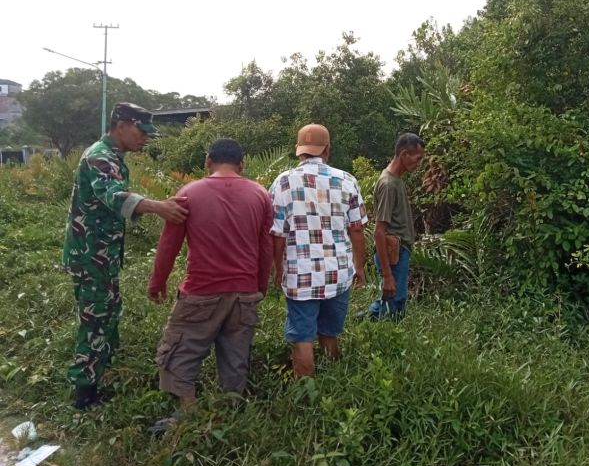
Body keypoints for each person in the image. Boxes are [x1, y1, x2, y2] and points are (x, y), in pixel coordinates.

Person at [62, 102, 189, 410]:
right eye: (141, 131)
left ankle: (101, 377)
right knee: (95, 320)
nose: (144, 139)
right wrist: (160, 207)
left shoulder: (112, 156)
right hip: (91, 255)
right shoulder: (101, 157)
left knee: (107, 314)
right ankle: (85, 394)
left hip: (101, 254)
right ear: (121, 126)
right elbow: (114, 197)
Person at [147, 138, 273, 430]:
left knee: (181, 351)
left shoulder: (189, 193)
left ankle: (188, 413)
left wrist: (158, 282)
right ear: (242, 165)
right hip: (244, 293)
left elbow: (169, 244)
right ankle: (229, 416)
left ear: (207, 161)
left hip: (200, 292)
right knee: (236, 356)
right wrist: (259, 286)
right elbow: (265, 246)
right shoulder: (260, 195)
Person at [269, 123, 368, 377]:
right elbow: (357, 229)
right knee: (330, 331)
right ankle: (332, 385)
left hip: (300, 275)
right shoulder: (347, 180)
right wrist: (360, 267)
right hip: (338, 272)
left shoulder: (283, 182)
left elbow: (277, 233)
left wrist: (277, 268)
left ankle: (307, 394)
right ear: (327, 149)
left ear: (299, 150)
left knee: (302, 337)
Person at [366, 133, 425, 319]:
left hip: (400, 251)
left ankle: (364, 323)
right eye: (418, 158)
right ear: (404, 154)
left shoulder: (397, 180)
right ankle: (385, 343)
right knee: (395, 305)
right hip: (393, 254)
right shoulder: (388, 184)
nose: (419, 163)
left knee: (390, 299)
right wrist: (387, 275)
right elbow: (379, 232)